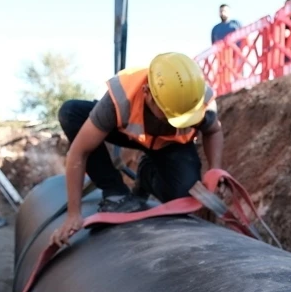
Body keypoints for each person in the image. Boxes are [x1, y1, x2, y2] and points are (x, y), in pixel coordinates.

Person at [51, 52, 225, 247]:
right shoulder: (121, 96)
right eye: (167, 112)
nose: (172, 120)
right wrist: (74, 214)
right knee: (71, 112)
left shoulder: (197, 101)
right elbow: (79, 152)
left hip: (171, 145)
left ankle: (147, 175)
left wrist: (214, 172)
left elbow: (214, 131)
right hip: (128, 134)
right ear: (147, 93)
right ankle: (114, 190)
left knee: (182, 201)